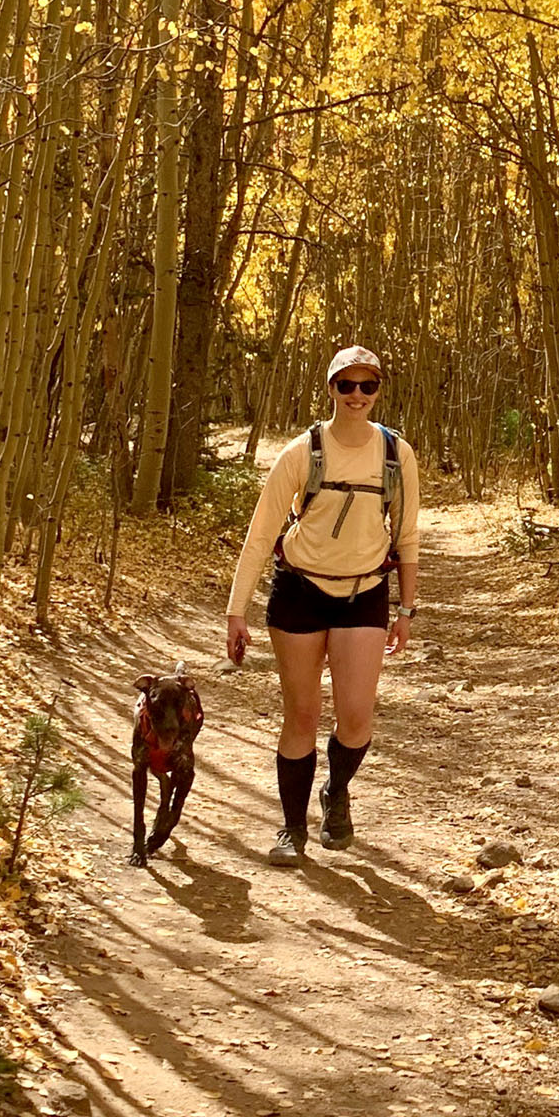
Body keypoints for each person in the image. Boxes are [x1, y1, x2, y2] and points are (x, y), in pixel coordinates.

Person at [226, 345, 421, 865]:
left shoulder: (396, 455)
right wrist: (235, 610)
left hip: (365, 592)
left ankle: (336, 791)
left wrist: (406, 610)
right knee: (302, 715)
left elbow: (406, 537)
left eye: (368, 386)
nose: (357, 396)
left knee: (356, 718)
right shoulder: (301, 453)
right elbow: (260, 532)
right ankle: (292, 829)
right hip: (301, 590)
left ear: (379, 391)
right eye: (346, 385)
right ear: (331, 388)